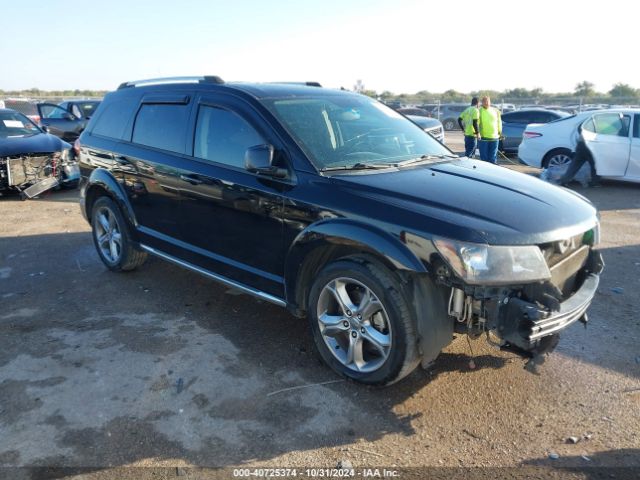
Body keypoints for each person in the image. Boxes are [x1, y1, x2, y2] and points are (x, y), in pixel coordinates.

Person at [477, 96, 502, 163]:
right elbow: (476, 123)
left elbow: (499, 122)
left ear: (490, 102)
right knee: (484, 158)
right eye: (484, 101)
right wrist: (477, 133)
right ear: (482, 102)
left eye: (488, 101)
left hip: (494, 138)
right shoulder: (479, 111)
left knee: (493, 158)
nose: (486, 103)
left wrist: (500, 132)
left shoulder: (495, 110)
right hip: (483, 138)